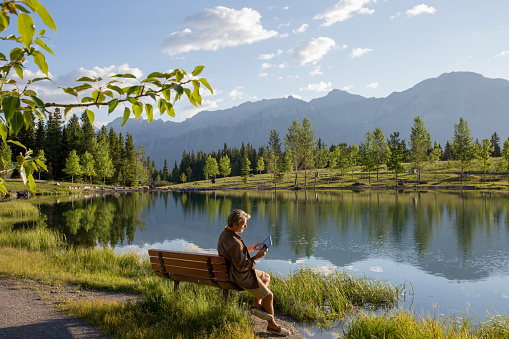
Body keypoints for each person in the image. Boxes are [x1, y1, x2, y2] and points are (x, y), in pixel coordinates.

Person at [217, 209, 289, 337]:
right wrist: (257, 257)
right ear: (235, 225)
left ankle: (256, 304)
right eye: (243, 224)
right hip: (239, 276)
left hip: (230, 271)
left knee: (266, 276)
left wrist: (250, 249)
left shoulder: (225, 234)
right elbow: (242, 266)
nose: (245, 226)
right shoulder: (235, 242)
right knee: (269, 296)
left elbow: (235, 256)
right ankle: (272, 326)